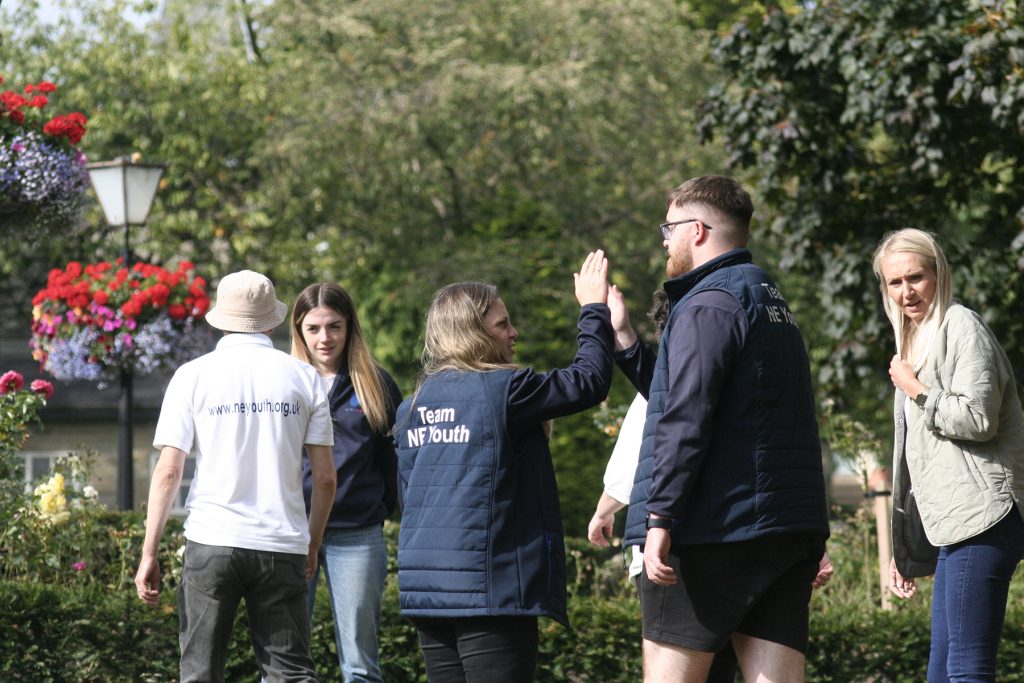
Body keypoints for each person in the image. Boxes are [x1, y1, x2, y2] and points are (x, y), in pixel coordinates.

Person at [610, 175, 830, 682]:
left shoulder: (708, 302)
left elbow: (685, 417)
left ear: (699, 230)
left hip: (712, 529)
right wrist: (625, 340)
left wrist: (660, 517)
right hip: (782, 529)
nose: (664, 240)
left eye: (669, 228)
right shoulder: (769, 300)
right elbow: (714, 400)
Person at [393, 251, 615, 682]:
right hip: (489, 589)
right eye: (502, 324)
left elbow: (409, 498)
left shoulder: (412, 406)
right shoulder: (504, 391)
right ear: (472, 333)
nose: (514, 333)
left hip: (429, 593)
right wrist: (593, 310)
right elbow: (589, 380)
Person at [135, 269, 337, 683]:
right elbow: (325, 479)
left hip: (212, 538)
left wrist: (149, 553)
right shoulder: (304, 377)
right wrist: (312, 543)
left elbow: (169, 470)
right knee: (291, 673)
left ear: (222, 318)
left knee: (199, 672)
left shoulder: (192, 376)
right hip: (282, 542)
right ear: (272, 319)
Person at [874, 228, 1024, 682]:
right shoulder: (914, 341)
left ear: (939, 273)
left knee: (965, 671)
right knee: (943, 673)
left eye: (915, 277)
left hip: (985, 519)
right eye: (894, 283)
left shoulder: (961, 326)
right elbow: (915, 460)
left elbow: (979, 419)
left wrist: (917, 390)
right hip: (955, 527)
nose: (906, 292)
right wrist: (903, 548)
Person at [289, 282, 403, 683]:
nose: (325, 338)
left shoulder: (376, 383)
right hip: (291, 533)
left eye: (334, 326)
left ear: (350, 326)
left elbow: (395, 460)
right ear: (299, 330)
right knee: (284, 662)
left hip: (357, 534)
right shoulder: (284, 383)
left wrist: (380, 507)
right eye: (314, 328)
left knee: (360, 664)